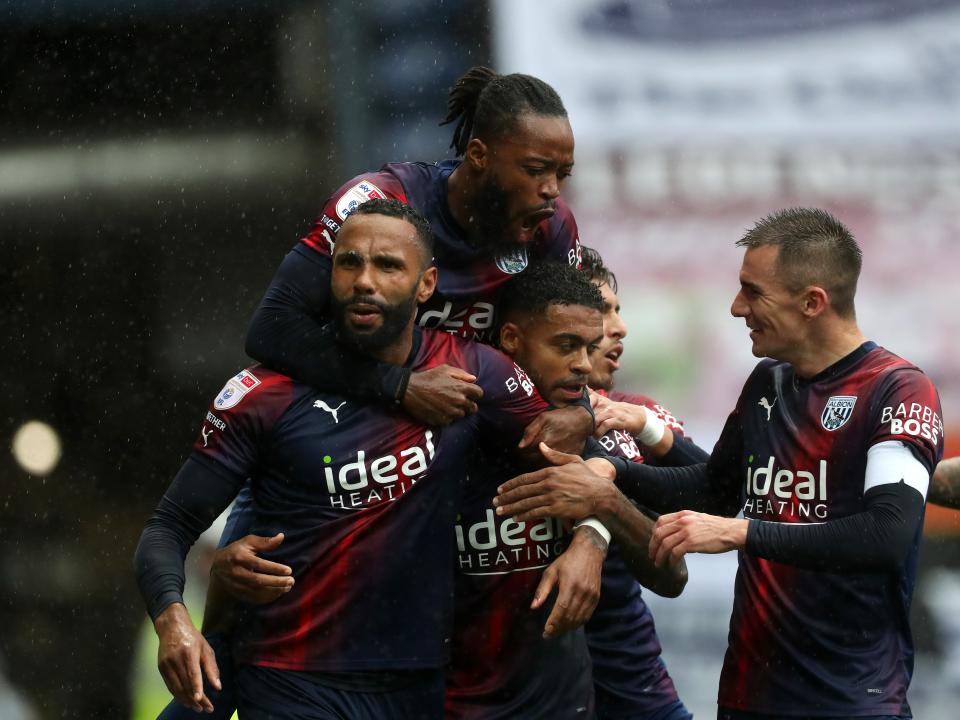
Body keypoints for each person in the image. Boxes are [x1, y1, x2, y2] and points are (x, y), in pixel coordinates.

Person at [134, 200, 597, 719]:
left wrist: (590, 539)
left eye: (388, 265)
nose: (364, 280)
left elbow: (584, 465)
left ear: (427, 285)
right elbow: (167, 528)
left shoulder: (473, 373)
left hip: (417, 687)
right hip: (291, 677)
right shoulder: (265, 394)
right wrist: (173, 619)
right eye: (349, 262)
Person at [495, 208, 944, 719]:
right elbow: (714, 489)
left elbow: (887, 535)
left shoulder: (898, 390)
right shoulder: (768, 382)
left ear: (812, 302)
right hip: (748, 696)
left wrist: (739, 533)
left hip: (851, 702)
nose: (736, 308)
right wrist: (617, 473)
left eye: (753, 292)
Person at [445, 260, 685, 719]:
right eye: (566, 346)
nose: (581, 364)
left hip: (585, 701)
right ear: (512, 340)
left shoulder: (600, 438)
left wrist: (600, 513)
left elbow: (672, 575)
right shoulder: (448, 433)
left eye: (588, 346)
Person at [579, 247, 705, 720]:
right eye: (601, 311)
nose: (619, 327)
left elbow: (714, 492)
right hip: (526, 681)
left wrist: (648, 428)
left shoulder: (634, 412)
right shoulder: (509, 414)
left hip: (634, 679)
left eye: (618, 310)